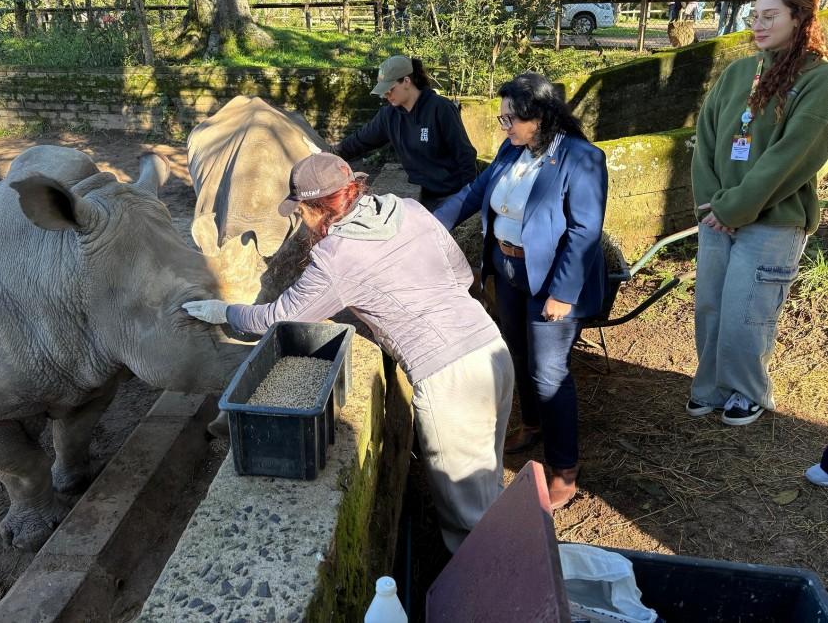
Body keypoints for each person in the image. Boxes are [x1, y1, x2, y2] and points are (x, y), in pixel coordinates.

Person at [182, 153, 514, 553]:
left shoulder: (336, 255)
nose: (300, 221)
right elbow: (461, 275)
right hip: (491, 349)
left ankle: (491, 591)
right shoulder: (407, 209)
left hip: (448, 380)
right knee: (488, 476)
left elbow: (280, 317)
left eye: (300, 211)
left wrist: (226, 311)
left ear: (315, 209)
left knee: (468, 519)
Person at [434, 73, 608, 509]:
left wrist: (563, 293)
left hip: (550, 279)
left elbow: (586, 231)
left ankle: (564, 467)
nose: (504, 126)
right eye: (502, 117)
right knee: (517, 353)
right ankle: (532, 423)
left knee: (549, 372)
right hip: (509, 270)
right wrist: (428, 227)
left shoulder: (581, 158)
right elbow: (474, 194)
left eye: (511, 118)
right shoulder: (514, 149)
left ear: (542, 117)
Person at [688, 0, 828, 426]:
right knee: (711, 303)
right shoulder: (737, 73)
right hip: (718, 217)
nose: (759, 25)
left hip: (774, 221)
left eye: (771, 16)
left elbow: (790, 157)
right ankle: (709, 385)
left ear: (799, 18)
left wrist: (734, 209)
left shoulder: (818, 81)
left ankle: (746, 389)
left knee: (747, 309)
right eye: (755, 16)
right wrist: (712, 205)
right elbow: (704, 139)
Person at [332, 56, 478, 211]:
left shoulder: (441, 109)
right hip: (421, 195)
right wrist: (332, 154)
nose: (386, 95)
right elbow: (360, 140)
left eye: (390, 89)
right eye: (384, 91)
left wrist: (468, 198)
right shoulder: (389, 116)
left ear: (407, 82)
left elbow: (465, 155)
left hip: (451, 195)